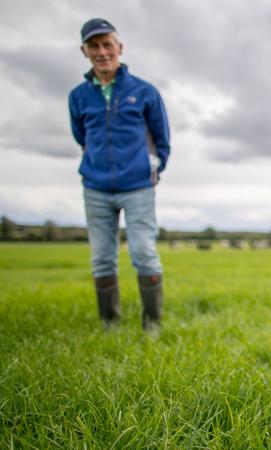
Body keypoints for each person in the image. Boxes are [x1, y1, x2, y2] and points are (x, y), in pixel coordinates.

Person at [69, 18, 171, 330]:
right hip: (96, 187)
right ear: (84, 51)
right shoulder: (78, 96)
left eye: (107, 44)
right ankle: (109, 324)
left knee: (143, 252)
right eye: (94, 46)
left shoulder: (144, 92)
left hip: (138, 186)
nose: (101, 52)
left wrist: (153, 167)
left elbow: (162, 137)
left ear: (119, 48)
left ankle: (152, 324)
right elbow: (80, 136)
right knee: (101, 257)